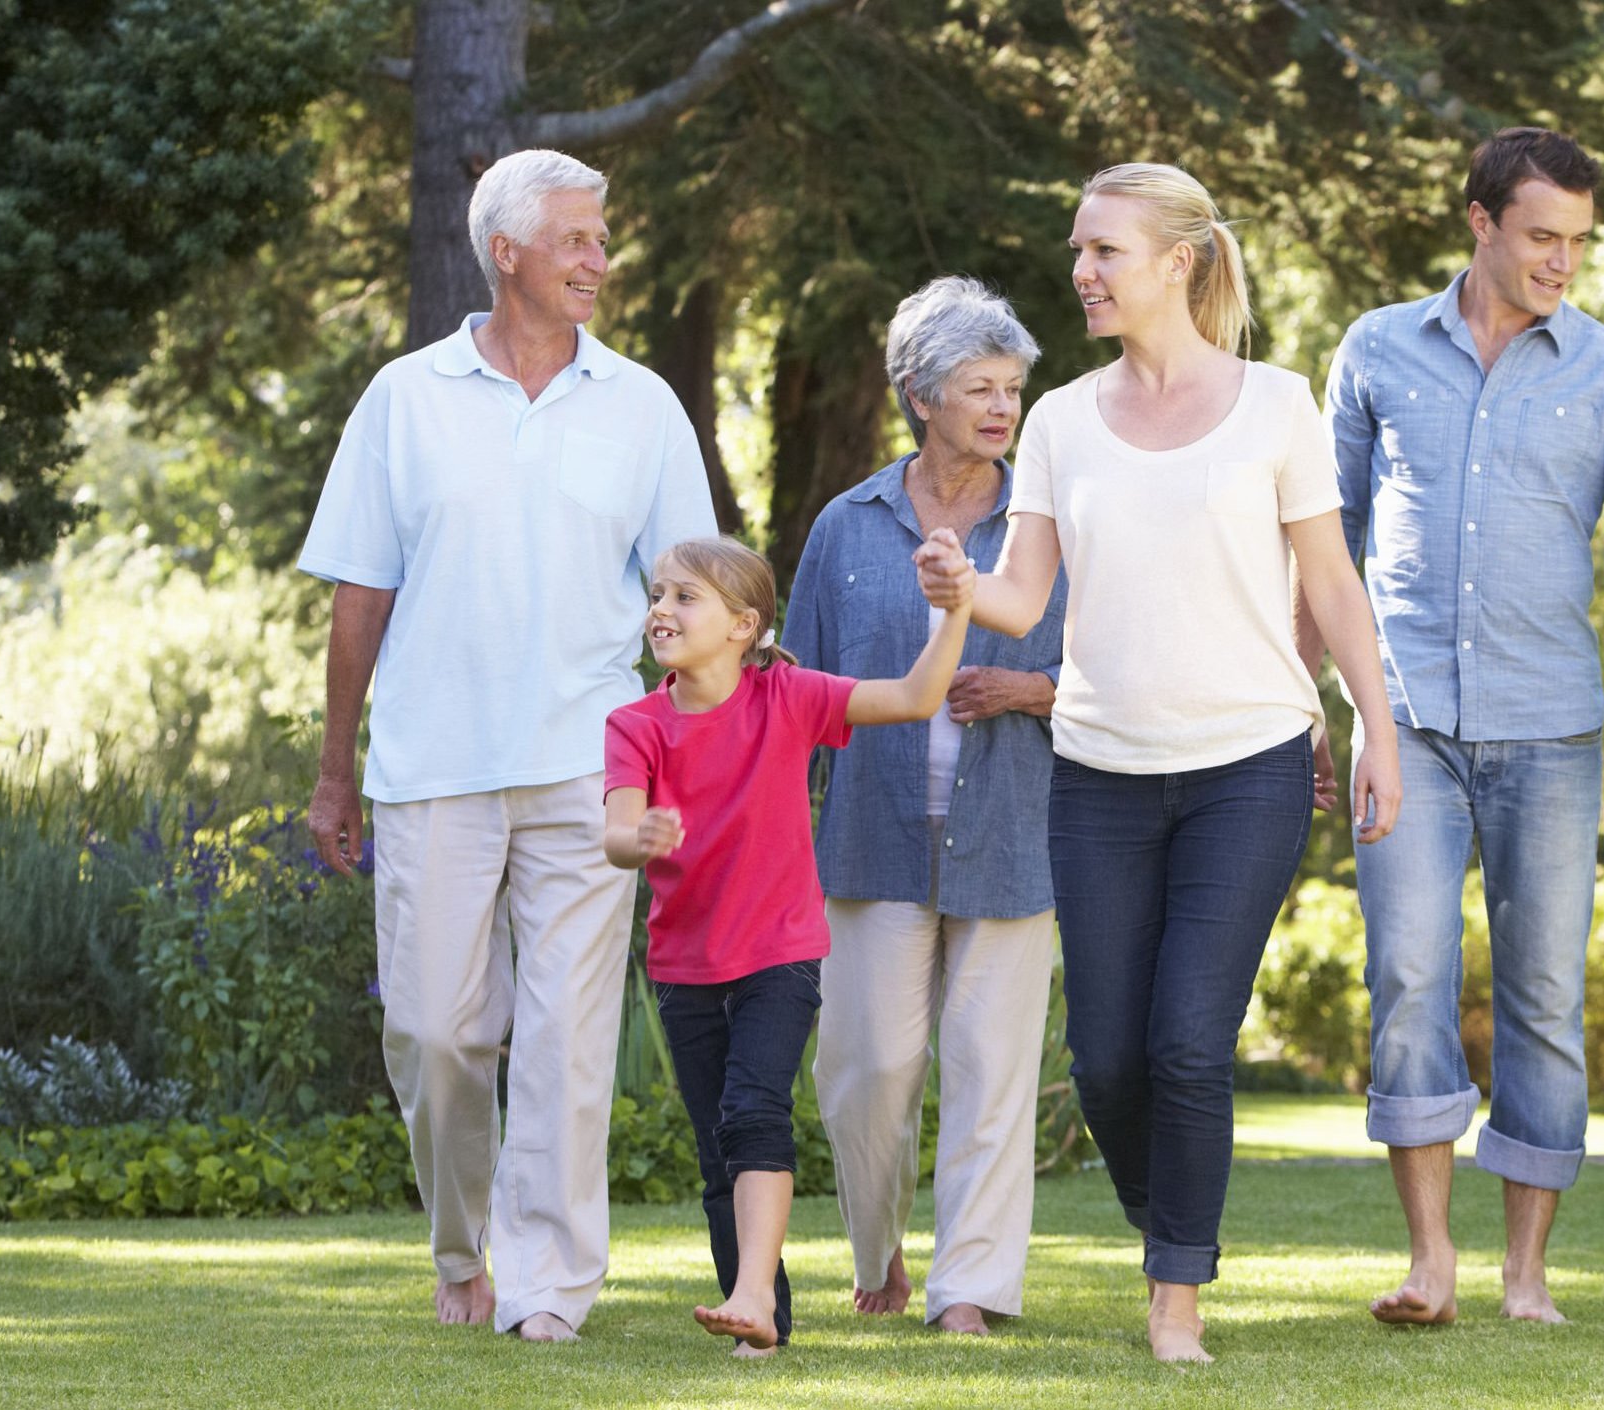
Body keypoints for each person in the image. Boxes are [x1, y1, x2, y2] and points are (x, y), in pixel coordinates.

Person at [919, 162, 1403, 1364]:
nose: (1081, 272)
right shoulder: (1061, 422)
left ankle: (1174, 1290)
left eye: (1104, 253)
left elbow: (1333, 587)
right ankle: (1170, 1211)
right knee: (1107, 1060)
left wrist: (1375, 729)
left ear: (1178, 262)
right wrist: (959, 586)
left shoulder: (1279, 405)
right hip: (1100, 772)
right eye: (1079, 251)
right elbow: (1024, 596)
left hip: (1248, 765)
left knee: (1191, 1038)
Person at [1313, 127, 1604, 1327]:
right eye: (1542, 236)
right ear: (1481, 224)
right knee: (1407, 975)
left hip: (1550, 733)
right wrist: (1310, 713)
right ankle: (1431, 1260)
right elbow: (1321, 542)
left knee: (1544, 995)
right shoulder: (1379, 348)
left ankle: (1527, 1273)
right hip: (1405, 728)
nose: (1563, 261)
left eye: (1580, 242)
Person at [299, 149, 715, 1342]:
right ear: (508, 252)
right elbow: (359, 595)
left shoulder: (641, 405)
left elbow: (692, 592)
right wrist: (336, 772)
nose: (601, 259)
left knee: (571, 1044)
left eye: (603, 238)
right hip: (431, 765)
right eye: (578, 239)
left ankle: (546, 1291)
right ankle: (459, 1244)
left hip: (592, 767)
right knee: (437, 1032)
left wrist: (690, 754)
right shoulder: (404, 396)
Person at [602, 533, 976, 1357]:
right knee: (715, 1156)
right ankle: (763, 1319)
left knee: (754, 1112)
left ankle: (749, 1298)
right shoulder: (636, 725)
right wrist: (645, 837)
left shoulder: (790, 697)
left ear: (744, 625)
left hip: (779, 952)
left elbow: (917, 697)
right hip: (685, 965)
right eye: (658, 594)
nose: (662, 610)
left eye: (684, 597)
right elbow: (617, 835)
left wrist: (953, 613)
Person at [781, 276, 1068, 1336]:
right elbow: (794, 693)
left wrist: (1028, 689)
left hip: (1013, 832)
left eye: (1012, 388)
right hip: (867, 837)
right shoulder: (847, 527)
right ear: (918, 394)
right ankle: (877, 1250)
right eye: (976, 387)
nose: (1001, 409)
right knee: (870, 1068)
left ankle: (971, 1293)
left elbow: (1118, 675)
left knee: (994, 1071)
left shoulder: (1050, 525)